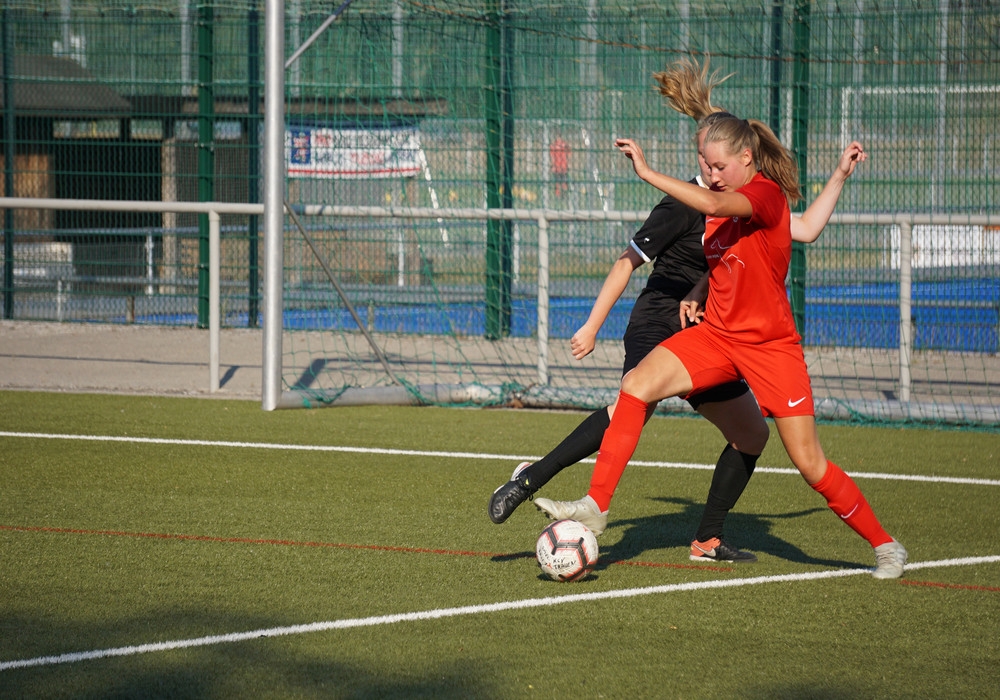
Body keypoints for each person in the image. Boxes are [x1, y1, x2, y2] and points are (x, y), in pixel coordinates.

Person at [489, 57, 869, 564]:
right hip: (659, 320)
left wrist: (839, 177)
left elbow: (798, 231)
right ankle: (537, 480)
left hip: (712, 329)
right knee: (631, 405)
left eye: (719, 164)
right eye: (707, 164)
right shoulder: (687, 203)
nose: (713, 173)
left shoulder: (743, 200)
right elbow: (628, 261)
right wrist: (592, 324)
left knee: (751, 433)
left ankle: (707, 540)